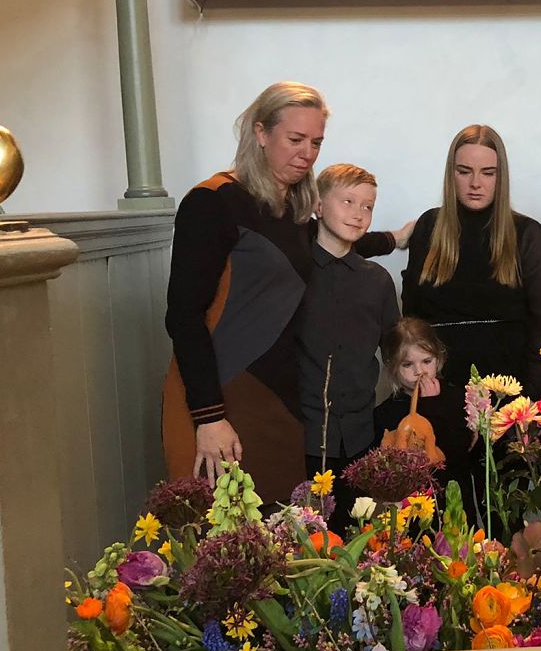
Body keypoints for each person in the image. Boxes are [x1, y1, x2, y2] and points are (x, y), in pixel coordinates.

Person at [162, 82, 411, 505]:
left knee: (288, 532)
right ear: (261, 132)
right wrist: (209, 415)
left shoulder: (293, 208)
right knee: (225, 533)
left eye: (316, 142)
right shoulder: (213, 201)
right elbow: (183, 316)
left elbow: (330, 244)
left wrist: (393, 239)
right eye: (295, 140)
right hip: (223, 395)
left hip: (284, 403)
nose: (307, 154)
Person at [402, 125, 541, 399]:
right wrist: (419, 382)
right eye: (464, 171)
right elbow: (412, 317)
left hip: (509, 389)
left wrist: (528, 397)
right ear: (450, 174)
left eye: (488, 173)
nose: (475, 183)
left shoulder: (527, 234)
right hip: (437, 388)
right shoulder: (429, 226)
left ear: (501, 177)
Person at [294, 163, 401, 530]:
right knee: (303, 537)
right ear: (318, 205)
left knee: (356, 533)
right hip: (302, 434)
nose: (358, 213)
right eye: (348, 201)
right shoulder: (293, 273)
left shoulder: (378, 281)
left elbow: (395, 352)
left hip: (360, 436)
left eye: (367, 206)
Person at [374, 317, 474, 502]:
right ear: (392, 366)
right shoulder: (387, 412)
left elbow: (459, 451)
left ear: (439, 358)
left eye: (427, 361)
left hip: (454, 500)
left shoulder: (456, 398)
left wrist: (432, 405)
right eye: (407, 364)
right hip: (410, 505)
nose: (419, 371)